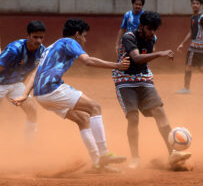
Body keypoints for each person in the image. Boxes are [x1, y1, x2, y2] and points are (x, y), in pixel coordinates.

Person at [11, 18, 130, 172]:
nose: (85, 40)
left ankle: (97, 164)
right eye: (84, 36)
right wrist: (117, 66)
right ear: (76, 34)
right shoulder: (69, 41)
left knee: (82, 119)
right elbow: (87, 61)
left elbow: (35, 74)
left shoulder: (50, 47)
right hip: (52, 89)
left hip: (41, 96)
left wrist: (25, 95)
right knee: (95, 107)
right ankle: (104, 153)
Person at [113, 11, 192, 169]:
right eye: (150, 29)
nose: (153, 33)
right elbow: (136, 58)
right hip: (124, 80)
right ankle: (135, 158)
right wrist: (160, 53)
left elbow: (145, 58)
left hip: (144, 79)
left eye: (155, 30)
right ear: (141, 26)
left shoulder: (152, 38)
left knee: (159, 111)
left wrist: (153, 54)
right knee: (133, 118)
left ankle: (173, 153)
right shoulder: (129, 37)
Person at [0, 20, 46, 142]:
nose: (38, 41)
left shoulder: (42, 52)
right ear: (28, 36)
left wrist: (22, 89)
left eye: (41, 37)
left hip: (16, 84)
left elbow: (30, 72)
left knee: (32, 111)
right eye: (35, 37)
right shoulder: (14, 49)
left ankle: (29, 143)